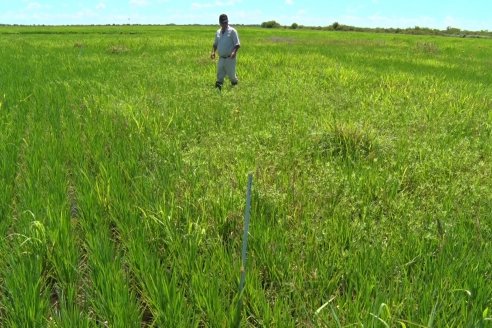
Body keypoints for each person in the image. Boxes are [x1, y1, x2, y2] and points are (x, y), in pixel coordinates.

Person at [210, 14, 240, 90]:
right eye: (223, 23)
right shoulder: (218, 32)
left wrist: (234, 52)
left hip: (230, 58)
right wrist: (213, 52)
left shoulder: (232, 31)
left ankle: (235, 90)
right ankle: (217, 92)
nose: (225, 24)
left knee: (232, 76)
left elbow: (237, 44)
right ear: (219, 23)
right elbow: (215, 44)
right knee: (219, 75)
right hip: (221, 58)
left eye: (226, 22)